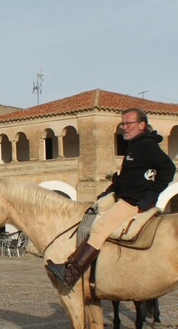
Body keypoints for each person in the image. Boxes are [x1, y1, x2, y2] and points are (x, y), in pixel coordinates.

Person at [46, 108, 176, 290]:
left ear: (142, 125)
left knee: (100, 227)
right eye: (123, 123)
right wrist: (108, 191)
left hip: (133, 201)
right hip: (122, 195)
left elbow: (168, 169)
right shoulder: (134, 146)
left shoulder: (147, 145)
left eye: (129, 123)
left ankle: (71, 274)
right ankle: (75, 262)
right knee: (89, 214)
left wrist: (151, 195)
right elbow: (126, 177)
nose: (125, 127)